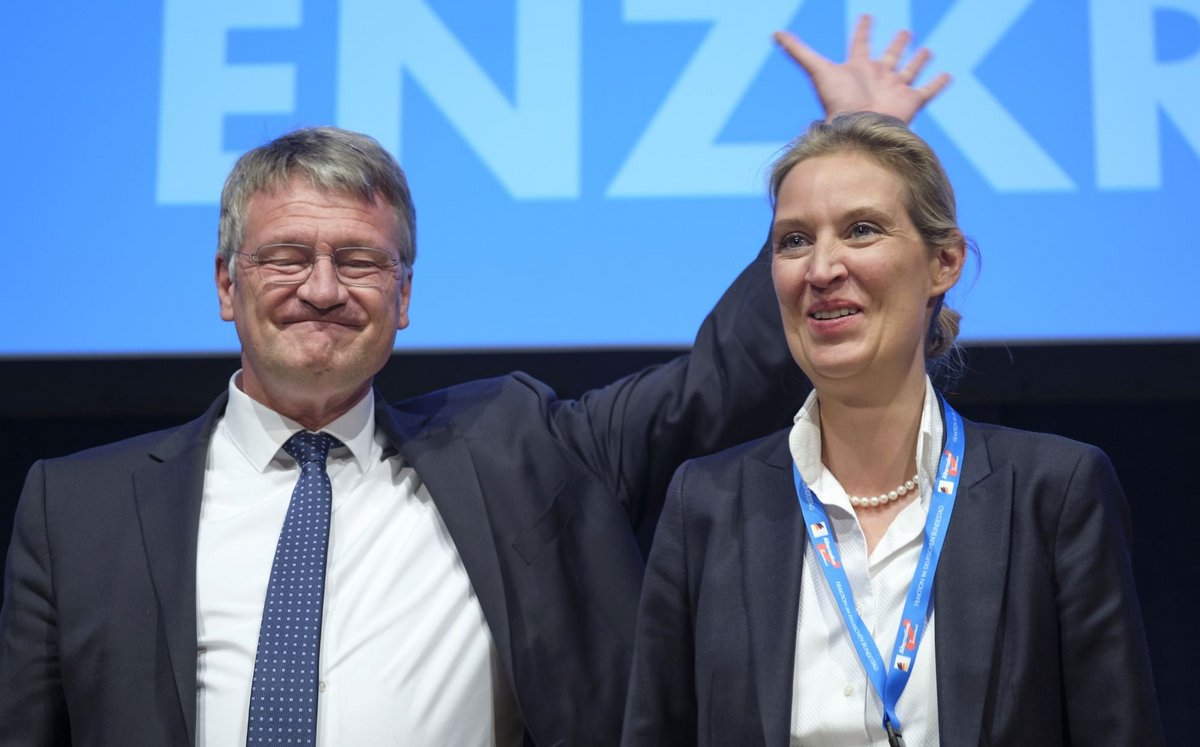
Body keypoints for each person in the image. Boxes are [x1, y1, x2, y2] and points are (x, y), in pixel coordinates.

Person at [0, 18, 947, 747]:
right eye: (288, 256)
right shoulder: (79, 510)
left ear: (403, 296)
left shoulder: (516, 449)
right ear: (225, 284)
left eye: (361, 262)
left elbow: (715, 380)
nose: (323, 289)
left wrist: (855, 145)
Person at [620, 112, 1166, 746]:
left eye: (861, 231)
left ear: (944, 262)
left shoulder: (1054, 493)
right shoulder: (707, 506)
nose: (821, 269)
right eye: (793, 240)